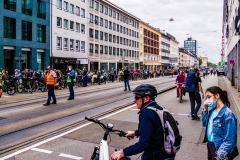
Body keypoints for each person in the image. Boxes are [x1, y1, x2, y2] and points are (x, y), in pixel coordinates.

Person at [111, 84, 175, 160]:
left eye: (137, 97)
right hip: (166, 154)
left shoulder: (146, 114)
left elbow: (143, 143)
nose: (134, 100)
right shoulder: (158, 108)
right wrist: (135, 133)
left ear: (147, 98)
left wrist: (122, 152)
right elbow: (154, 129)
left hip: (155, 156)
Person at [202, 86, 238, 160]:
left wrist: (220, 155)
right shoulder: (212, 111)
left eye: (209, 97)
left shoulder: (228, 115)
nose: (207, 100)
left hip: (219, 148)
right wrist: (205, 109)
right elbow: (204, 124)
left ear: (217, 96)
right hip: (210, 145)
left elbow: (229, 140)